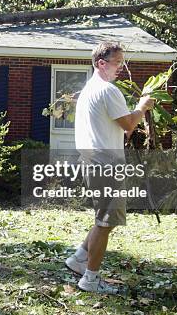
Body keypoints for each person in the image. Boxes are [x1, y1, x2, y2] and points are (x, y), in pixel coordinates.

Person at [64, 42, 155, 294]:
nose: (121, 68)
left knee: (105, 218)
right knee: (105, 221)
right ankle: (90, 280)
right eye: (117, 63)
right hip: (106, 164)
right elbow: (128, 125)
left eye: (122, 63)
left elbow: (113, 128)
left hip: (92, 162)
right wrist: (142, 106)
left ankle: (80, 258)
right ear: (101, 63)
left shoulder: (88, 91)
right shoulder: (108, 90)